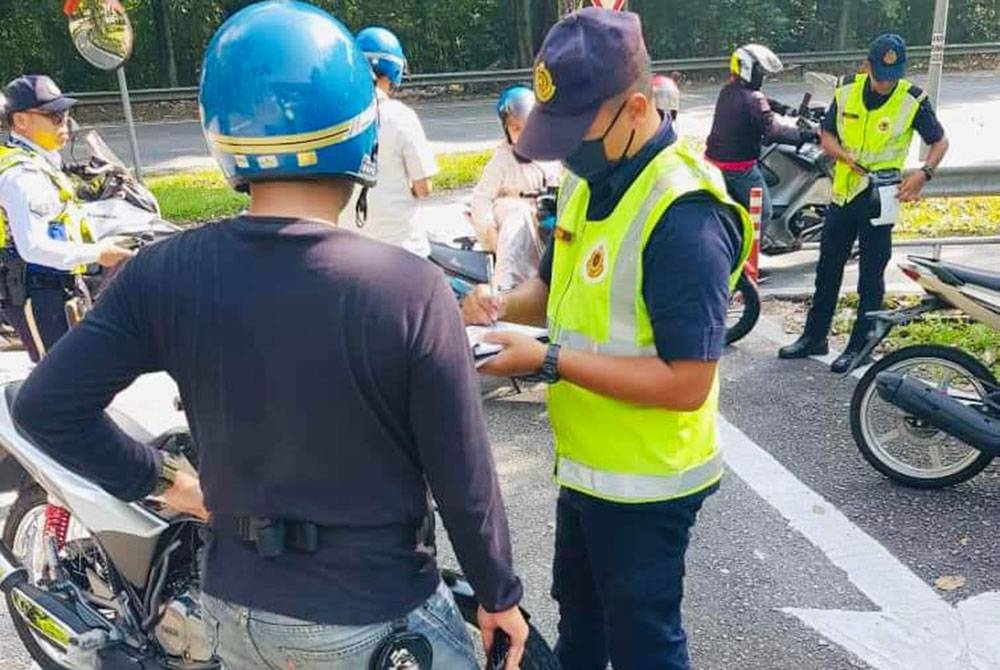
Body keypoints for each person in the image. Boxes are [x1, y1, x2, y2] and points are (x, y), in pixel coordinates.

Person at [11, 2, 528, 668]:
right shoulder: (410, 289)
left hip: (234, 610)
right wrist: (498, 594)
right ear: (360, 133)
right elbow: (465, 478)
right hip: (372, 615)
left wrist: (167, 481)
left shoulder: (164, 273)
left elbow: (46, 408)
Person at [462, 8, 752, 669]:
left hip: (650, 483)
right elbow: (551, 290)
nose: (566, 149)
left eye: (576, 131)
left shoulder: (684, 214)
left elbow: (687, 382)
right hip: (588, 468)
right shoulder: (582, 183)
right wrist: (497, 306)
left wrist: (550, 361)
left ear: (637, 108)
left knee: (644, 641)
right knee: (582, 621)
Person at [779, 33, 949, 372]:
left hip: (880, 199)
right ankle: (815, 335)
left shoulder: (911, 99)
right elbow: (826, 135)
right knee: (828, 269)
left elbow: (940, 141)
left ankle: (862, 344)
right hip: (844, 194)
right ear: (867, 66)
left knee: (871, 275)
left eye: (893, 77)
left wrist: (923, 174)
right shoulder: (846, 91)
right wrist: (842, 156)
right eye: (881, 76)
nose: (886, 84)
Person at [0, 75, 132, 362]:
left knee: (78, 374)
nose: (65, 123)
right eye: (54, 116)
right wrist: (99, 252)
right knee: (61, 382)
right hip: (39, 293)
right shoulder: (21, 175)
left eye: (66, 114)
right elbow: (33, 246)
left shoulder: (42, 161)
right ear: (21, 121)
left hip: (59, 285)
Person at [705, 44, 818, 223]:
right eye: (760, 71)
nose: (762, 76)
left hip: (715, 161)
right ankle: (755, 249)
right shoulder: (753, 99)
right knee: (764, 213)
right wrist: (808, 134)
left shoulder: (728, 91)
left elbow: (759, 101)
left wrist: (786, 110)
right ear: (749, 69)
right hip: (738, 168)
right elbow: (774, 131)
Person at [353, 25, 439, 256]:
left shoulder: (338, 117)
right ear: (395, 70)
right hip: (402, 250)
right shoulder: (402, 116)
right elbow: (424, 188)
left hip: (351, 249)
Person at [469, 85, 560, 290]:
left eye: (527, 127)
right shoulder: (502, 159)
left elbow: (558, 189)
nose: (522, 134)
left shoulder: (550, 156)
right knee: (516, 210)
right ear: (506, 130)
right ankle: (504, 287)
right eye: (516, 128)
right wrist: (490, 230)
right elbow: (481, 199)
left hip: (541, 227)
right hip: (508, 230)